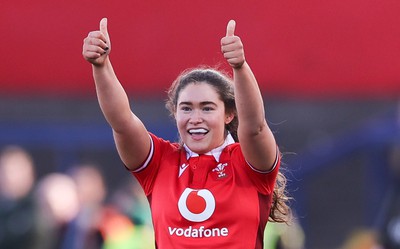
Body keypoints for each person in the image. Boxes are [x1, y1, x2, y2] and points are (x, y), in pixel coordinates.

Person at [82, 17, 291, 248]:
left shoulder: (248, 162)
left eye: (207, 108)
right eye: (186, 108)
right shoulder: (159, 163)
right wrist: (101, 67)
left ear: (229, 114)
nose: (195, 118)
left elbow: (255, 128)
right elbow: (122, 122)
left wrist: (240, 67)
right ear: (175, 113)